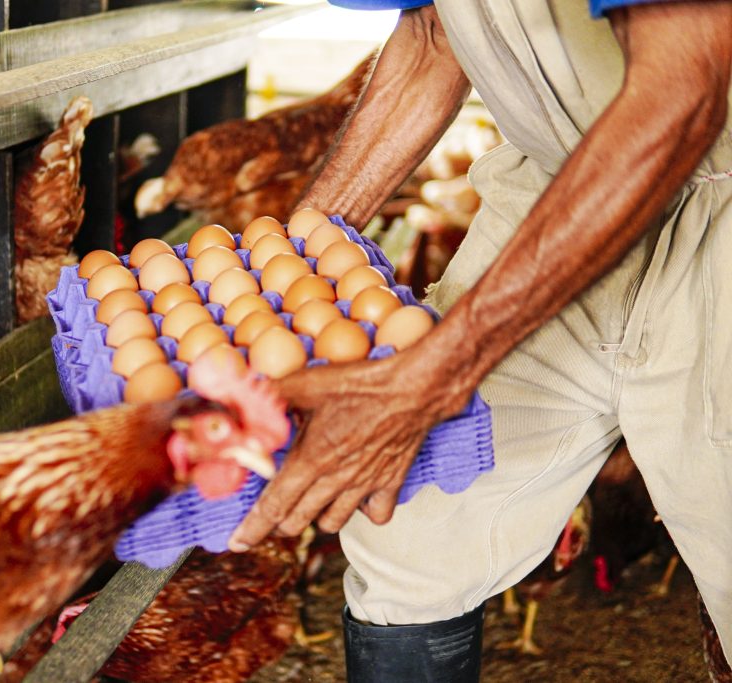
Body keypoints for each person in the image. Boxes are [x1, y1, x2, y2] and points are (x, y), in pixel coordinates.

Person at [227, 1, 732, 680]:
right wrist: (288, 269)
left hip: (710, 193)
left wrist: (431, 375)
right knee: (409, 523)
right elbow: (436, 32)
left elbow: (679, 96)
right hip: (562, 185)